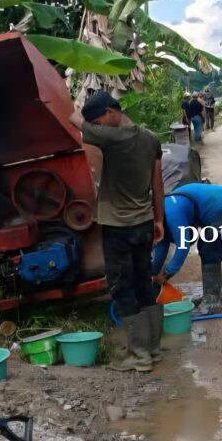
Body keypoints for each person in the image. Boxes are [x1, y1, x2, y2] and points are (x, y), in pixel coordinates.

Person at [69, 91, 166, 372]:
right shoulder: (150, 138)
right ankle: (153, 348)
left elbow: (73, 118)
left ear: (113, 112)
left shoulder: (113, 137)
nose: (98, 126)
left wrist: (79, 105)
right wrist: (159, 219)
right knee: (143, 282)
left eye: (100, 120)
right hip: (144, 223)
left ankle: (138, 356)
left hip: (118, 227)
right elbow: (157, 183)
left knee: (122, 286)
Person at [152, 182, 222, 315]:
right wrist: (153, 274)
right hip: (219, 209)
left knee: (210, 250)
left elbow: (183, 246)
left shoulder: (172, 211)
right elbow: (162, 244)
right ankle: (211, 296)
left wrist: (165, 274)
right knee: (204, 246)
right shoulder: (160, 216)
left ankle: (213, 301)